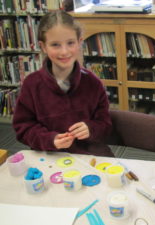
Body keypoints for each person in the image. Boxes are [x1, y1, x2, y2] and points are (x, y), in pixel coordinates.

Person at [13, 10, 114, 157]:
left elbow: (105, 125)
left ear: (79, 42)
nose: (64, 51)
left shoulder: (93, 83)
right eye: (55, 44)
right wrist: (50, 139)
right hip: (50, 157)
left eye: (70, 43)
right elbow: (23, 128)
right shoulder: (32, 85)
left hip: (89, 155)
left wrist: (90, 129)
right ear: (43, 46)